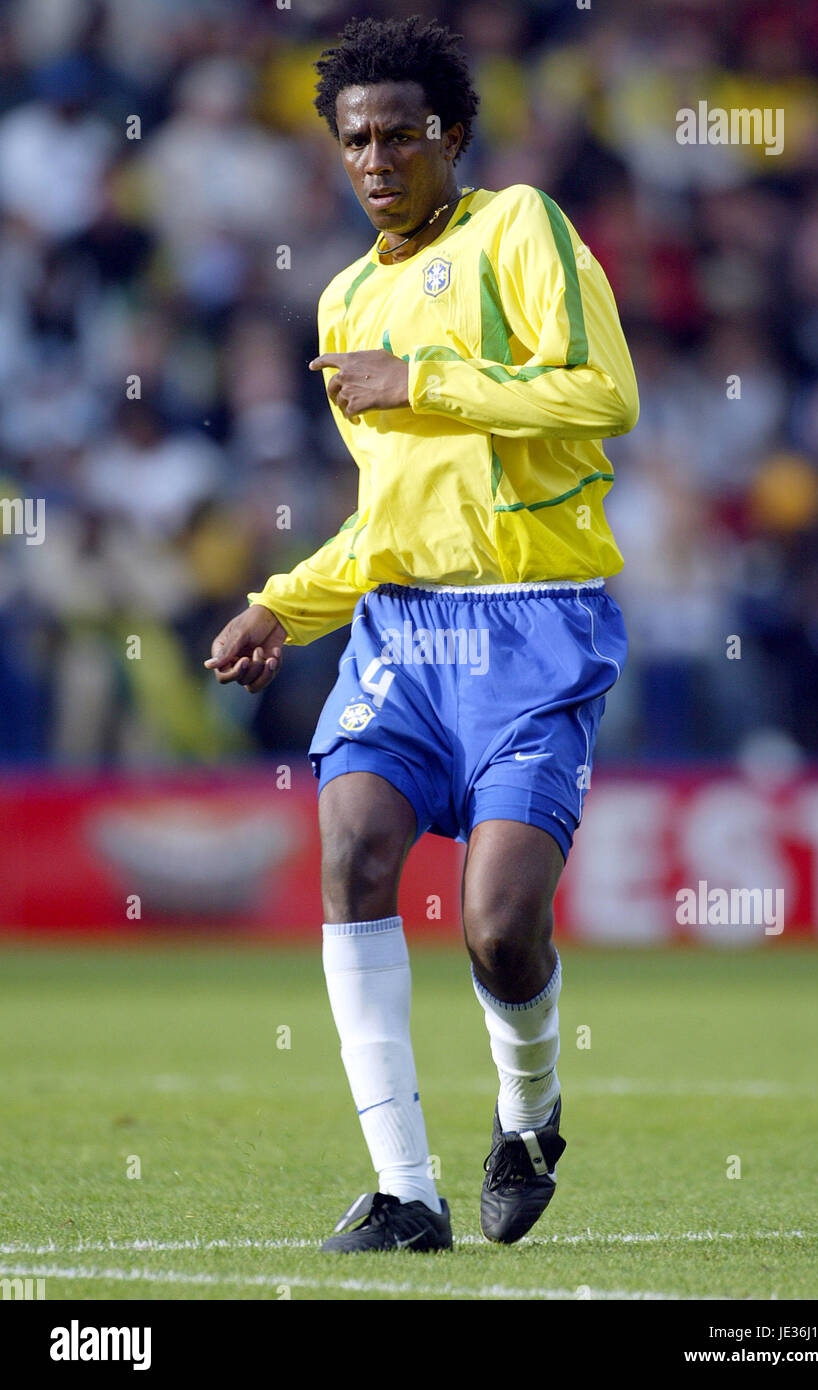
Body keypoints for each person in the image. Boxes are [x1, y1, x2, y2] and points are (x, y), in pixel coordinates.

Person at [206, 16, 638, 1253]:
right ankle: (405, 1192)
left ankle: (527, 1115)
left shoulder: (520, 229)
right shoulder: (346, 297)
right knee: (350, 851)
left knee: (499, 924)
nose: (379, 158)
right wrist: (282, 605)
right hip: (404, 632)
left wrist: (424, 381)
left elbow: (603, 393)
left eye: (402, 134)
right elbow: (389, 520)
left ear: (451, 135)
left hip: (534, 627)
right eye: (356, 141)